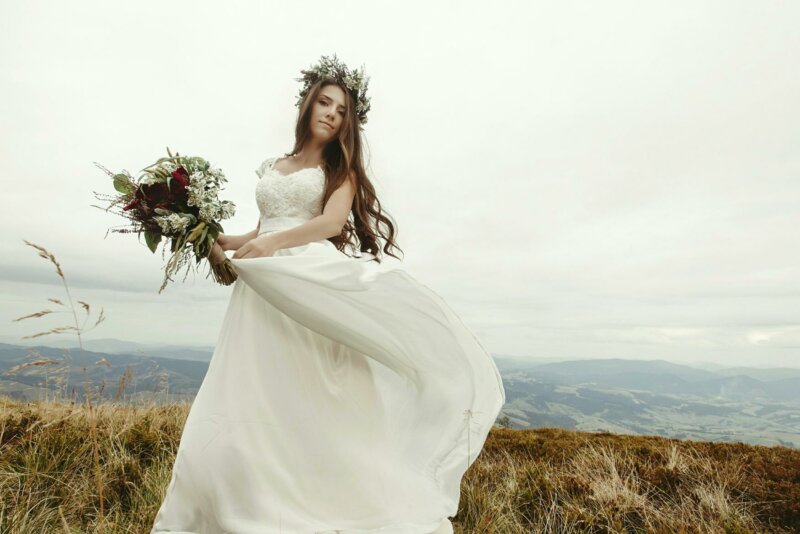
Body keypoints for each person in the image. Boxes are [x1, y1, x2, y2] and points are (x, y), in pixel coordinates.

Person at [150, 53, 506, 534]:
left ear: (347, 124)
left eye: (341, 111)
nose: (331, 114)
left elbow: (330, 223)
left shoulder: (341, 172)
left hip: (303, 275)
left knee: (310, 388)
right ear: (307, 104)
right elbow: (259, 227)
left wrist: (271, 244)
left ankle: (319, 495)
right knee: (255, 387)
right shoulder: (274, 165)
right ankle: (243, 495)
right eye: (325, 103)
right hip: (263, 284)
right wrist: (210, 235)